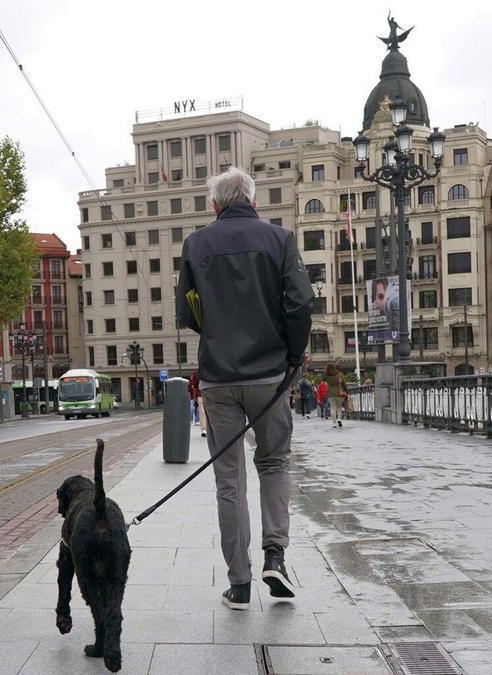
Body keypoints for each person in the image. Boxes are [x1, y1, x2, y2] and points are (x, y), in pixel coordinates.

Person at [176, 167, 312, 611]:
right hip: (270, 375)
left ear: (215, 205)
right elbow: (300, 302)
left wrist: (214, 329)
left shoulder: (196, 245)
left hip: (218, 379)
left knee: (228, 480)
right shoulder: (280, 239)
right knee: (273, 462)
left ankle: (238, 584)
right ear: (254, 201)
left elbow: (188, 312)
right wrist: (292, 356)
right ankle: (276, 555)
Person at [188, 370, 207, 437]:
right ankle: (204, 429)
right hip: (201, 395)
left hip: (209, 394)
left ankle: (206, 429)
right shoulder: (196, 373)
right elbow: (194, 385)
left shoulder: (209, 370)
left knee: (205, 412)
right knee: (202, 412)